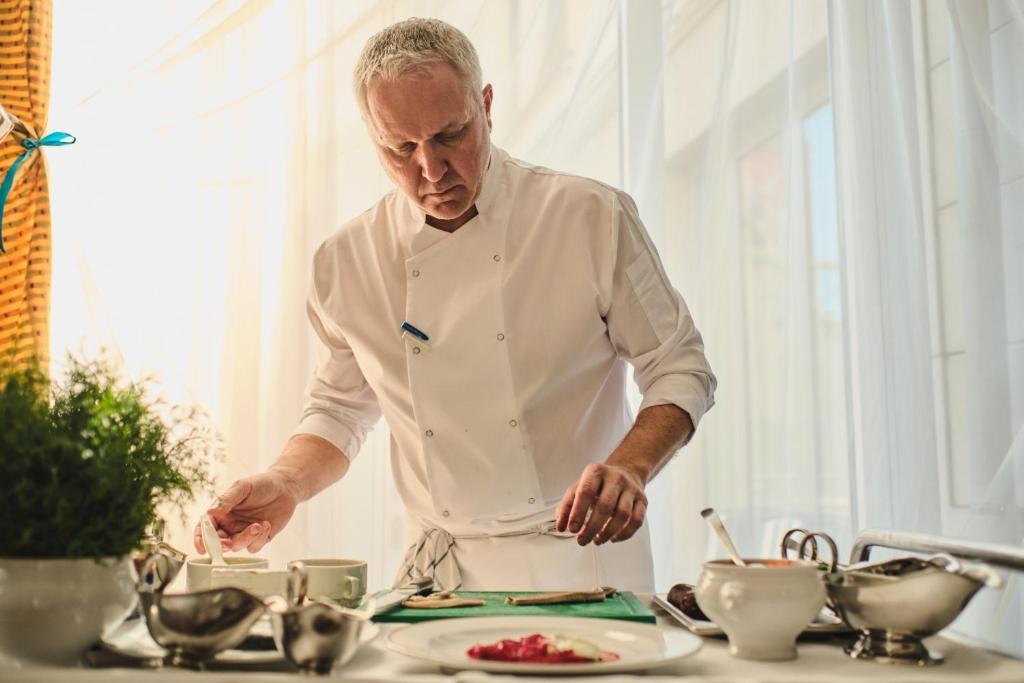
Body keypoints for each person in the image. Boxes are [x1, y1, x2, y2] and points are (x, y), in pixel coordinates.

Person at [195, 18, 715, 592]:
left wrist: (629, 467)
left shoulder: (589, 216)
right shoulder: (346, 261)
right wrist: (285, 482)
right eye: (401, 148)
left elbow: (680, 368)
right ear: (372, 139)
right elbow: (340, 411)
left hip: (583, 561)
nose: (431, 170)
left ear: (486, 107)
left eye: (450, 135)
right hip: (439, 577)